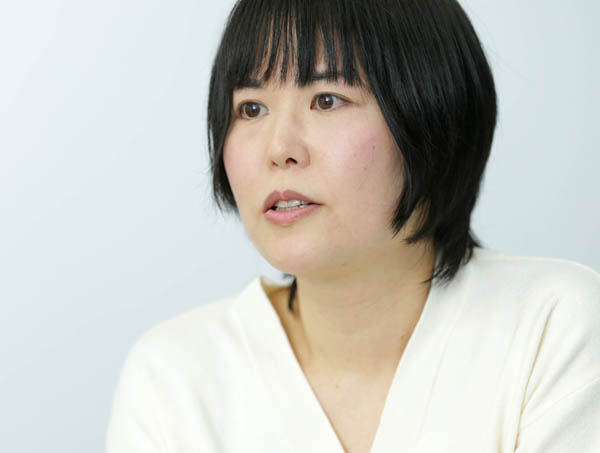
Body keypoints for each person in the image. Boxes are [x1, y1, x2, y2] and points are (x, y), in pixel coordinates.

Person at [106, 0, 600, 452]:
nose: (279, 148)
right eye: (251, 108)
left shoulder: (552, 327)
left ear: (433, 113)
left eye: (327, 99)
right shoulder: (175, 378)